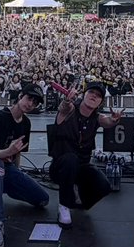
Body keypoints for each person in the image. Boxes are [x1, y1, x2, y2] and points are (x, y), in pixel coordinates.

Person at [0, 84, 50, 247]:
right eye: (29, 98)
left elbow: (18, 154)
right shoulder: (1, 118)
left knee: (42, 199)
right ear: (20, 96)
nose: (30, 104)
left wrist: (17, 174)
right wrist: (9, 151)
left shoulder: (26, 123)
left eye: (34, 102)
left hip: (5, 169)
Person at [49, 81, 123, 226]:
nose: (94, 97)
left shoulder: (97, 117)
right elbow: (64, 108)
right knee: (71, 160)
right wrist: (67, 99)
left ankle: (79, 200)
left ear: (101, 101)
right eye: (91, 93)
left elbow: (107, 121)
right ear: (84, 95)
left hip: (81, 167)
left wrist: (114, 120)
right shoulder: (71, 109)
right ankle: (64, 205)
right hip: (61, 166)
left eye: (98, 96)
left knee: (104, 186)